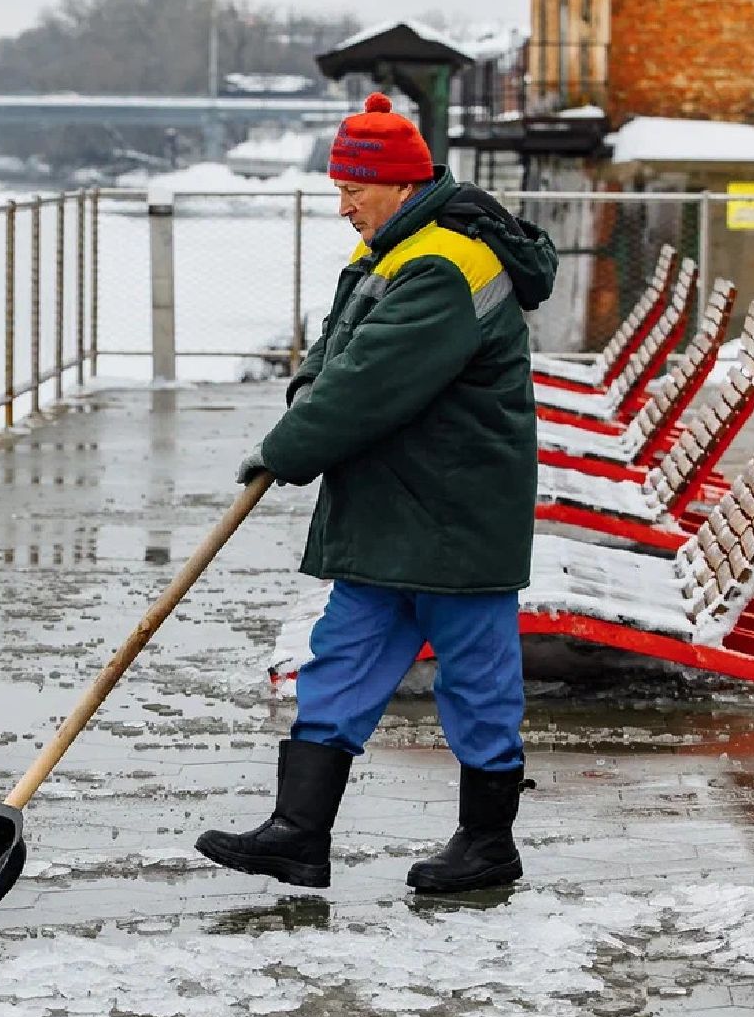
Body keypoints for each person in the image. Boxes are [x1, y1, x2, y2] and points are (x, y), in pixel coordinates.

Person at [195, 93, 558, 895]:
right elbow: (333, 351)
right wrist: (303, 399)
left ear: (398, 183)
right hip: (393, 509)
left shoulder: (442, 263)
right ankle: (297, 836)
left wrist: (285, 450)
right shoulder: (390, 251)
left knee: (476, 684)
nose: (342, 204)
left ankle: (486, 843)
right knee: (340, 663)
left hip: (455, 514)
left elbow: (368, 382)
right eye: (336, 187)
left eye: (353, 187)